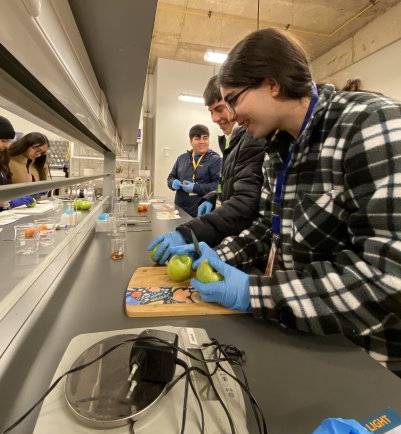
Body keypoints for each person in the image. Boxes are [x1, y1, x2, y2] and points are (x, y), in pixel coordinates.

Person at [170, 28, 401, 377]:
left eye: (233, 99)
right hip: (307, 332)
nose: (230, 114)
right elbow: (269, 228)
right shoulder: (279, 146)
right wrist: (216, 255)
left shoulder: (370, 125)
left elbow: (387, 278)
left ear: (272, 83)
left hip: (368, 358)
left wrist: (256, 294)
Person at [148, 76, 266, 263]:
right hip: (198, 215)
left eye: (219, 109)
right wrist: (212, 197)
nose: (214, 118)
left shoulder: (249, 140)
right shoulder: (188, 156)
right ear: (191, 141)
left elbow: (245, 201)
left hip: (234, 235)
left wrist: (196, 192)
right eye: (211, 111)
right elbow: (225, 184)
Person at [167, 124, 221, 217]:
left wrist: (195, 187)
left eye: (205, 138)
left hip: (202, 213)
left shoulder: (215, 160)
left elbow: (217, 186)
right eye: (198, 138)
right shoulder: (182, 159)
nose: (202, 142)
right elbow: (171, 177)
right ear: (191, 141)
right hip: (179, 210)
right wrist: (172, 182)